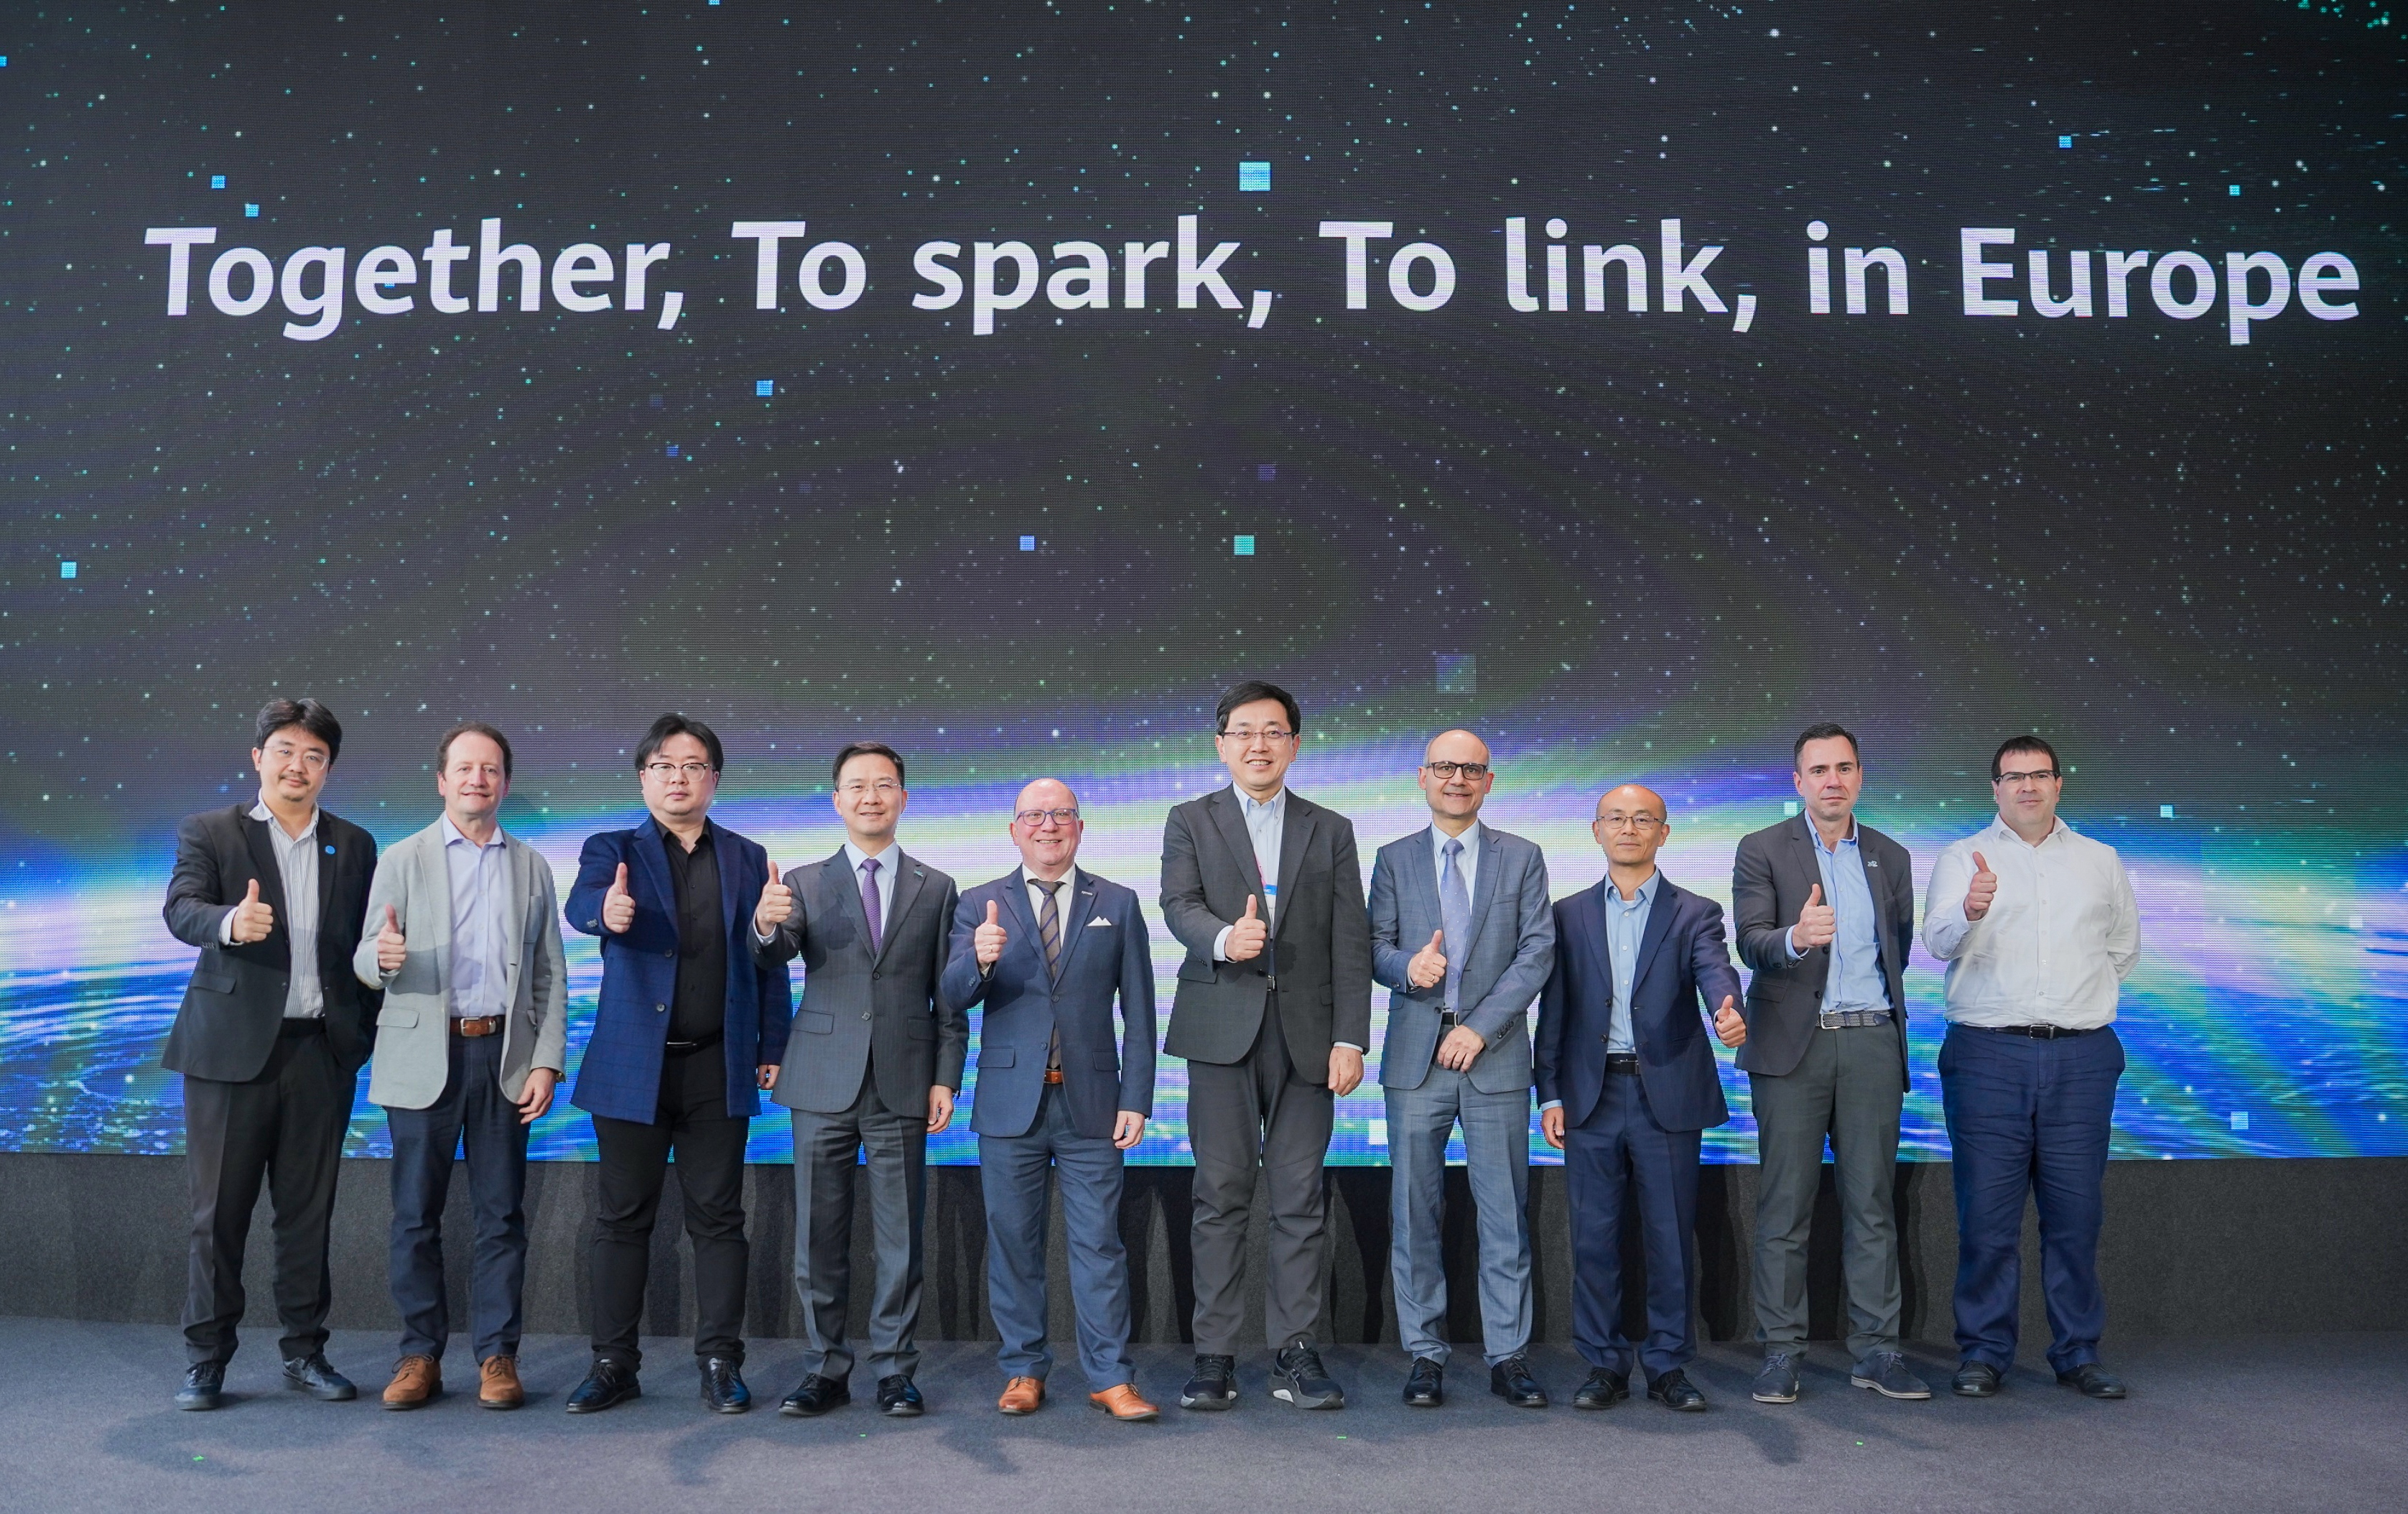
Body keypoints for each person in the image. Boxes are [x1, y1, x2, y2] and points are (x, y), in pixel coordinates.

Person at [561, 715, 790, 1415]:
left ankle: (720, 1360)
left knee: (718, 1219)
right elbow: (582, 905)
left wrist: (772, 1046)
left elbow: (767, 959)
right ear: (644, 778)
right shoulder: (612, 848)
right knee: (621, 1218)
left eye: (693, 766)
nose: (678, 777)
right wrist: (606, 911)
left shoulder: (747, 857)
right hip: (631, 1065)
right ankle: (613, 1362)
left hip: (717, 1063)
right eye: (664, 765)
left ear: (714, 779)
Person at [160, 698, 381, 1411]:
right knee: (217, 1217)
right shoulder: (211, 831)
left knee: (307, 1216)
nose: (298, 766)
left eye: (314, 755)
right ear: (258, 757)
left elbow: (362, 946)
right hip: (228, 1056)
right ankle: (206, 1359)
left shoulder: (354, 843)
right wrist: (230, 921)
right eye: (285, 750)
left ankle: (305, 1351)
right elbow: (180, 908)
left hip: (319, 1053)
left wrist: (360, 1032)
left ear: (328, 769)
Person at [1158, 680, 1373, 1411]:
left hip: (1309, 1039)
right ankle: (1214, 1355)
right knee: (1218, 1196)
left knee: (1299, 1200)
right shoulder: (1190, 819)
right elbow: (1178, 905)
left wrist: (1350, 1037)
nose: (1258, 744)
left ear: (1294, 744)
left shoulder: (1330, 828)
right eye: (1244, 732)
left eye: (1273, 731)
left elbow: (1350, 938)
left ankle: (1295, 1351)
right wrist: (1226, 937)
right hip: (1220, 1031)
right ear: (1221, 745)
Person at [352, 721, 567, 1411]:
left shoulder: (531, 866)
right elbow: (365, 954)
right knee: (415, 1216)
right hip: (423, 1056)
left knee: (501, 1216)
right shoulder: (403, 857)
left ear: (505, 782)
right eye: (465, 768)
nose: (478, 779)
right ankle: (419, 1355)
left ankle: (497, 1356)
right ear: (442, 780)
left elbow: (549, 973)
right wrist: (380, 958)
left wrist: (546, 1062)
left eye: (491, 769)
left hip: (505, 1058)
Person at [1923, 736, 2140, 1401]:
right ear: (1994, 789)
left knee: (2075, 1218)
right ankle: (1984, 1351)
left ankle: (2076, 1351)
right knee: (1986, 1220)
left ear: (2057, 784)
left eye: (2038, 775)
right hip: (1988, 1055)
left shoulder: (2100, 860)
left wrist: (2072, 1005)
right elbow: (1934, 943)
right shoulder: (1962, 857)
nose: (2026, 786)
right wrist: (1970, 909)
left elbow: (2122, 949)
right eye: (2012, 777)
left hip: (2081, 1056)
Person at [752, 742, 965, 1418]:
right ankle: (824, 1369)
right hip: (820, 1080)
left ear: (903, 797)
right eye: (856, 786)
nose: (870, 797)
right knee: (818, 1235)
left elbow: (948, 996)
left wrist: (946, 1077)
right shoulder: (804, 883)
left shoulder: (937, 887)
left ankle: (896, 1370)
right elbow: (774, 953)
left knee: (901, 1240)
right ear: (837, 800)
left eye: (883, 785)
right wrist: (764, 923)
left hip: (903, 1079)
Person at [939, 780, 1161, 1421]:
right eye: (1034, 815)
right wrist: (979, 961)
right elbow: (951, 996)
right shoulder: (978, 903)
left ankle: (1110, 1377)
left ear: (1080, 828)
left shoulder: (1116, 902)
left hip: (1094, 1104)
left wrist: (1136, 1098)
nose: (1048, 825)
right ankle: (1023, 1370)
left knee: (1099, 1247)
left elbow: (1140, 1011)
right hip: (1010, 1105)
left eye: (1061, 814)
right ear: (1014, 830)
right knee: (1014, 1243)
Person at [1729, 723, 1929, 1403]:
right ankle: (1780, 1352)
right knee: (1784, 1205)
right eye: (1818, 770)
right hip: (1794, 1045)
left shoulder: (1889, 855)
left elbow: (1896, 949)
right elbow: (1750, 941)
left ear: (1859, 777)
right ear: (1798, 782)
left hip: (1871, 1040)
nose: (1832, 781)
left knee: (1871, 1203)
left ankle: (1877, 1350)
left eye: (1843, 768)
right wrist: (1794, 936)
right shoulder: (1761, 848)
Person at [1535, 784, 1747, 1413]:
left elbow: (1715, 969)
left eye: (1643, 819)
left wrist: (1727, 1009)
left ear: (1663, 832)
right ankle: (1601, 1364)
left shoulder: (1694, 912)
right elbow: (1554, 1011)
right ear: (1596, 830)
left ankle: (1667, 1365)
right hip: (1589, 1095)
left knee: (1669, 1238)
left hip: (1667, 1095)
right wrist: (1548, 1092)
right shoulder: (1566, 914)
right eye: (1616, 818)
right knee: (1592, 1239)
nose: (1628, 828)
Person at [1366, 730, 1556, 1408]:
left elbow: (1536, 952)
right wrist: (1405, 967)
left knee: (1504, 1214)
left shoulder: (1521, 856)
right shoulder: (1392, 858)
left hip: (1493, 1055)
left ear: (1488, 781)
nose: (1457, 779)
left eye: (1470, 769)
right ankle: (1425, 1353)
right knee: (1413, 1212)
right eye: (1444, 767)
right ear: (1422, 777)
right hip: (1415, 1059)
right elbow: (1373, 946)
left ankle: (1508, 1356)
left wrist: (1478, 1027)